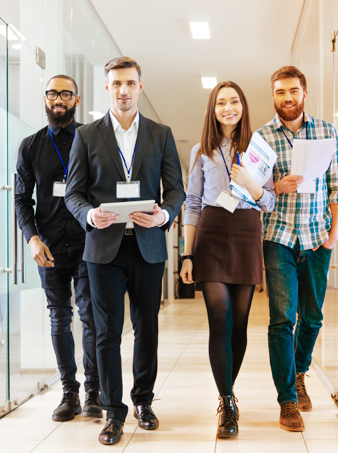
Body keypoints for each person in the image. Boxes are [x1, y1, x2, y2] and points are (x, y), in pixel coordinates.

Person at [64, 56, 185, 446]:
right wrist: (90, 214)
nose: (123, 90)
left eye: (130, 83)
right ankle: (113, 412)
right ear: (106, 87)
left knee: (147, 328)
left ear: (140, 86)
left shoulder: (161, 134)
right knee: (106, 332)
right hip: (104, 249)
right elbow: (73, 194)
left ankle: (143, 402)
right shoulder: (87, 136)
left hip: (148, 246)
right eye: (116, 83)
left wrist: (165, 214)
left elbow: (176, 191)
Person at [180, 81, 275, 438]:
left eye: (234, 101)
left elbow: (269, 201)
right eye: (221, 103)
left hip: (247, 232)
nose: (228, 108)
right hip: (212, 230)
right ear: (213, 109)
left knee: (239, 323)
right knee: (219, 317)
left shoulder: (259, 148)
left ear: (243, 106)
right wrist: (187, 254)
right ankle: (227, 403)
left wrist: (252, 185)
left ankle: (228, 390)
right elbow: (191, 203)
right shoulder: (202, 151)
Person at [15, 75, 101, 421]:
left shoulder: (92, 140)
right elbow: (22, 199)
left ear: (76, 100)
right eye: (52, 93)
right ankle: (69, 392)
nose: (58, 99)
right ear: (46, 98)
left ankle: (94, 390)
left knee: (90, 316)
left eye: (66, 93)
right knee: (58, 318)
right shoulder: (30, 145)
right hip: (48, 246)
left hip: (86, 242)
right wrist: (32, 238)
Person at [257, 66, 338, 432]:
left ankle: (300, 371)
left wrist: (334, 233)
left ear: (304, 92)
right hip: (279, 238)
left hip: (318, 236)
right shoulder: (261, 137)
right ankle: (287, 399)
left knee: (313, 317)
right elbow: (252, 196)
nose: (286, 98)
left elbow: (336, 186)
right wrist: (275, 187)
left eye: (292, 91)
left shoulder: (326, 131)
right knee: (282, 318)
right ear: (273, 96)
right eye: (279, 92)